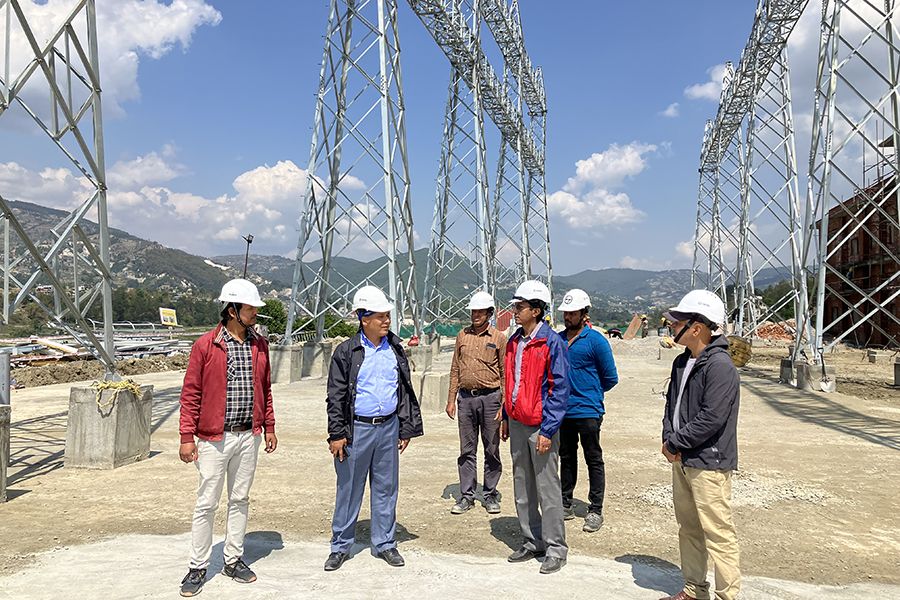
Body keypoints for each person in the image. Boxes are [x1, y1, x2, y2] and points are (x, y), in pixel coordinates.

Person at [178, 279, 278, 597]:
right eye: (250, 308)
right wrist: (186, 436)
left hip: (248, 435)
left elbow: (266, 389)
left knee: (240, 500)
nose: (255, 314)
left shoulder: (259, 344)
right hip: (213, 439)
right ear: (232, 310)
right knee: (207, 503)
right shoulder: (206, 346)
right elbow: (191, 393)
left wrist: (270, 426)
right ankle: (197, 567)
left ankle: (233, 559)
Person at [324, 285, 424, 572]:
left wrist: (405, 428)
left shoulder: (395, 348)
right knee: (349, 489)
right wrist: (337, 433)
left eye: (388, 315)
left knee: (386, 488)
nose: (387, 321)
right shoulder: (347, 352)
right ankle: (340, 546)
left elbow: (403, 390)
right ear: (363, 318)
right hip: (356, 430)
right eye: (381, 316)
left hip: (389, 428)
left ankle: (385, 543)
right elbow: (336, 396)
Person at [659, 290, 741, 600]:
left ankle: (727, 596)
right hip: (682, 457)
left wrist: (676, 441)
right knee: (689, 528)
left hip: (709, 461)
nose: (671, 326)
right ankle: (694, 590)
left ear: (697, 327)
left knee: (718, 532)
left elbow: (712, 418)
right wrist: (669, 437)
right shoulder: (683, 362)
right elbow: (672, 406)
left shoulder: (720, 366)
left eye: (677, 321)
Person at [500, 280, 570, 574]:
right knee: (522, 485)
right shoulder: (515, 341)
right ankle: (533, 540)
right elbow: (510, 383)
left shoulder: (552, 343)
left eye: (520, 307)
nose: (515, 311)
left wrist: (548, 429)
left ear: (536, 310)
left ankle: (556, 548)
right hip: (517, 423)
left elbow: (560, 389)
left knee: (547, 488)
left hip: (540, 426)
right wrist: (505, 414)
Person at [556, 289, 618, 533]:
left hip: (589, 411)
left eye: (572, 313)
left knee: (593, 458)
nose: (567, 316)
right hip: (564, 412)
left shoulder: (597, 341)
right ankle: (565, 503)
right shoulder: (558, 340)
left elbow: (610, 378)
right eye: (566, 313)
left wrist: (590, 393)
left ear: (584, 313)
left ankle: (595, 509)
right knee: (566, 459)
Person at [446, 291, 507, 515]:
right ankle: (467, 496)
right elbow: (455, 368)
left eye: (481, 311)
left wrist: (504, 406)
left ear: (489, 313)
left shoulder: (499, 338)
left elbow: (504, 373)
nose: (476, 315)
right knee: (467, 450)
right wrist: (451, 399)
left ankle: (490, 494)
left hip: (491, 399)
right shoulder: (462, 335)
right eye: (473, 311)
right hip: (466, 399)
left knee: (491, 449)